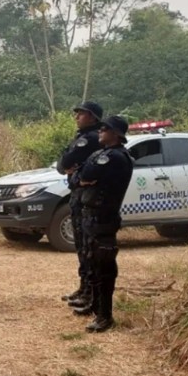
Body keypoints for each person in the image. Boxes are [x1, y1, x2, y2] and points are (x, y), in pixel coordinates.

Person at [73, 116, 134, 333]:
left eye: (105, 128)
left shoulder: (117, 157)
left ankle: (105, 316)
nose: (100, 131)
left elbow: (86, 174)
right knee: (91, 261)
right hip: (91, 215)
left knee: (104, 266)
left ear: (116, 134)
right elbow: (76, 179)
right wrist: (82, 179)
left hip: (104, 218)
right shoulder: (100, 154)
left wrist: (84, 178)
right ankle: (95, 305)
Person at [56, 101, 105, 310]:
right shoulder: (82, 136)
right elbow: (62, 165)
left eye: (81, 114)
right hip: (78, 194)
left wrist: (70, 166)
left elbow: (68, 161)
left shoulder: (91, 138)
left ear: (93, 117)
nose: (77, 117)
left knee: (87, 246)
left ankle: (89, 292)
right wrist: (67, 165)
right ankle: (84, 287)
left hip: (87, 195)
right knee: (81, 245)